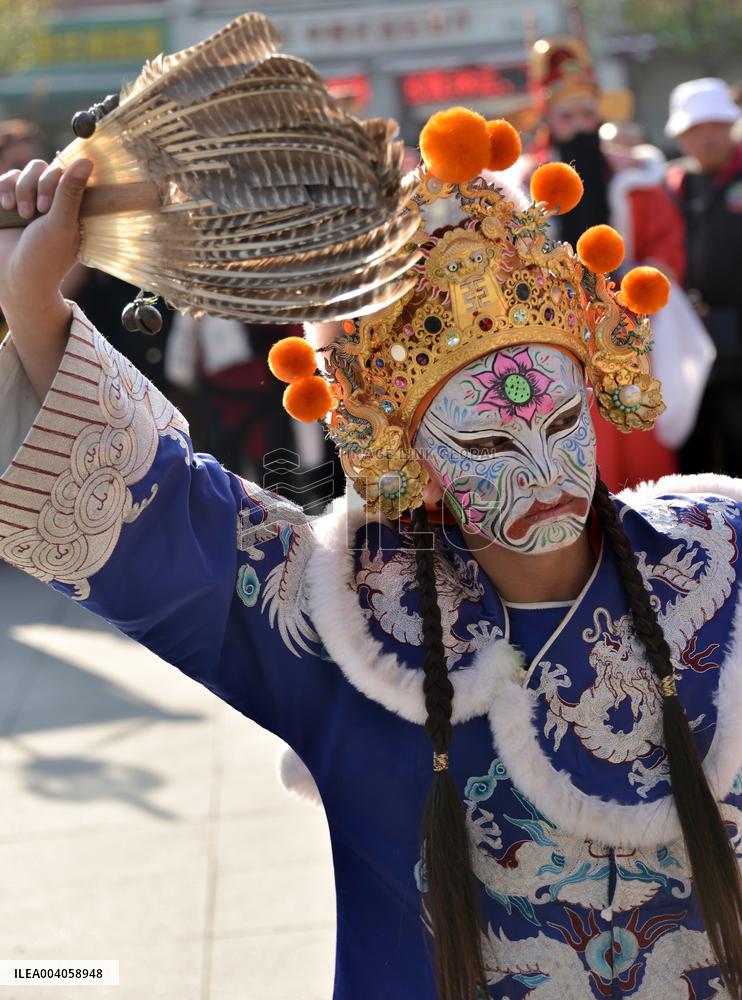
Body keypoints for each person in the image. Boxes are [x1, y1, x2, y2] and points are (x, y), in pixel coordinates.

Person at [0, 108, 742, 1000]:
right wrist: (31, 303)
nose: (544, 468)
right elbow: (162, 505)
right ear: (411, 452)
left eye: (557, 421)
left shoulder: (724, 560)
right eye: (490, 444)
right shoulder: (348, 623)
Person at [518, 37, 705, 492]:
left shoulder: (632, 178)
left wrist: (640, 289)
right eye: (568, 116)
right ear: (549, 120)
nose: (580, 125)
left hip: (627, 321)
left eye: (588, 114)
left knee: (637, 425)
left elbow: (666, 241)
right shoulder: (524, 184)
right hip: (554, 329)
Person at [666, 78, 742, 477]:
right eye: (695, 129)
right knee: (690, 452)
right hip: (686, 339)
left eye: (714, 125)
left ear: (731, 125)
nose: (706, 136)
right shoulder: (670, 185)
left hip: (738, 339)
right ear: (680, 136)